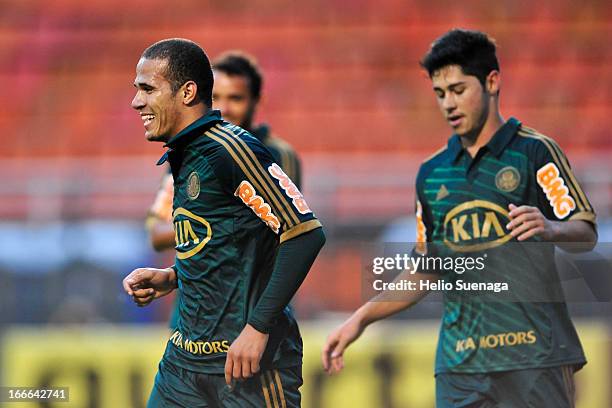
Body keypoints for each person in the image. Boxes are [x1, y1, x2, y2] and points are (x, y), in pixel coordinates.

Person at [322, 29, 597, 407]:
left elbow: (585, 232)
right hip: (460, 364)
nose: (448, 103)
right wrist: (361, 319)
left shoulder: (535, 153)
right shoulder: (432, 174)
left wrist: (550, 227)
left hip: (535, 357)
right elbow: (425, 268)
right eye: (440, 93)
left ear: (492, 82)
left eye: (458, 89)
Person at [123, 38, 325, 407]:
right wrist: (173, 277)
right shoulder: (184, 153)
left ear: (186, 92)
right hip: (184, 361)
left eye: (147, 89)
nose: (137, 101)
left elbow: (304, 234)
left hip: (246, 365)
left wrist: (258, 327)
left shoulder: (230, 149)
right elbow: (227, 240)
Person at [144, 52, 304, 330]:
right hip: (192, 312)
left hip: (250, 311)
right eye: (216, 98)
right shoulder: (185, 153)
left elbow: (281, 232)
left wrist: (202, 222)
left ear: (257, 101)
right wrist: (207, 222)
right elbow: (157, 233)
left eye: (236, 98)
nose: (225, 108)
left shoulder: (278, 155)